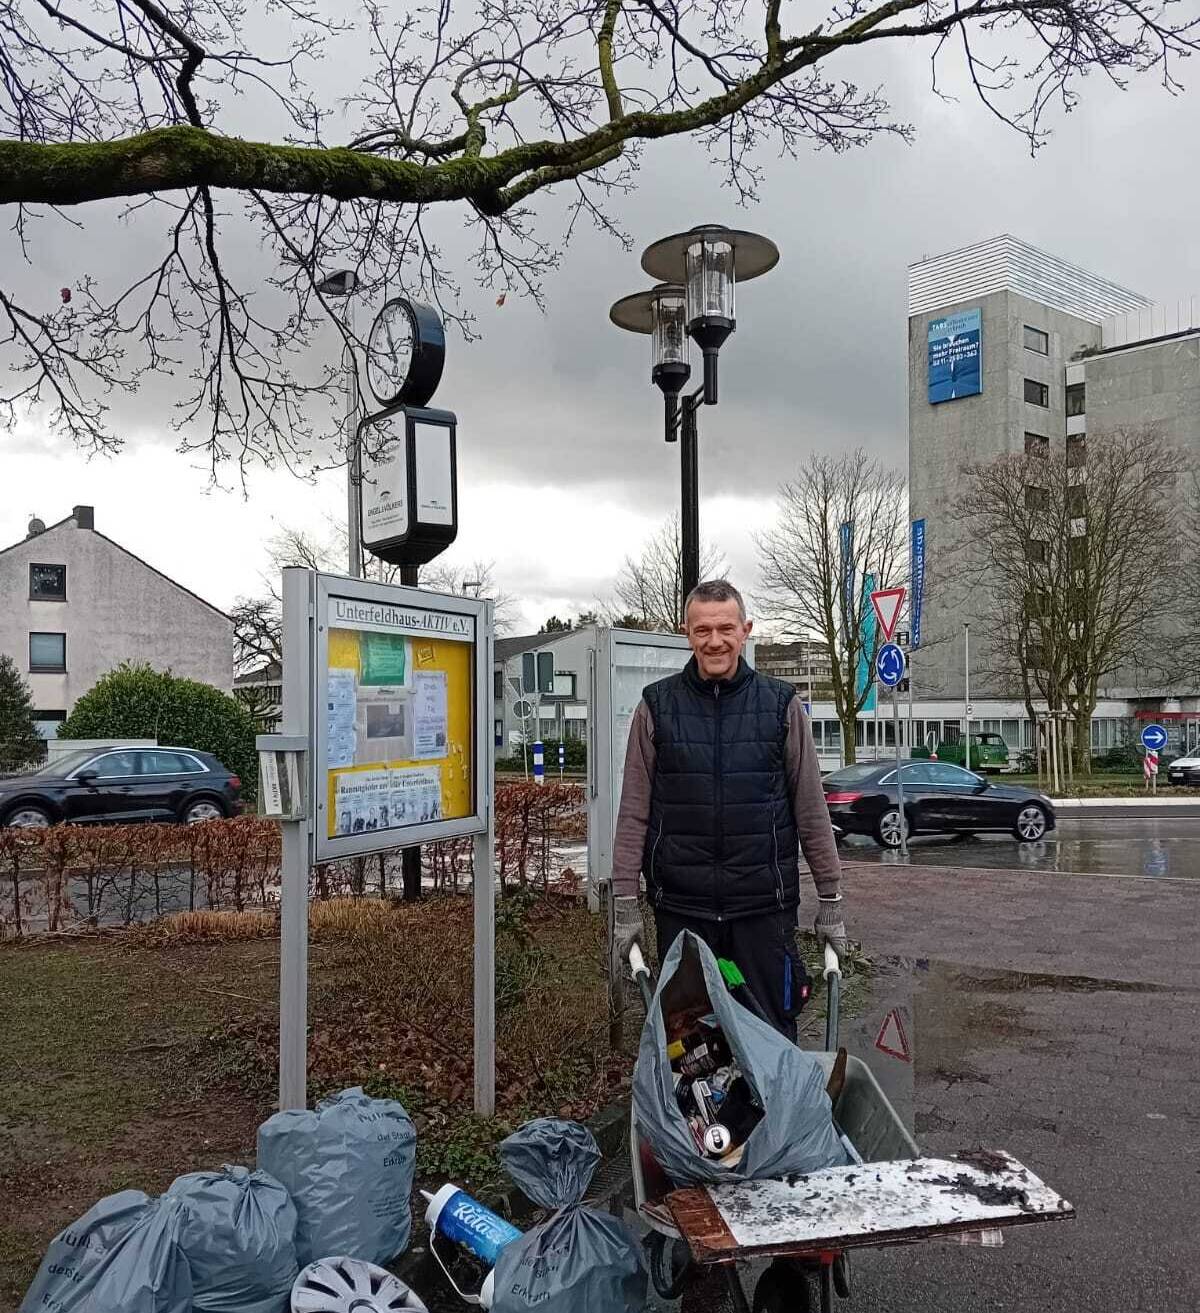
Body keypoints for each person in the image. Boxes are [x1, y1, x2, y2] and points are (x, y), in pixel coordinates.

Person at [610, 579, 847, 1040]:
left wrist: (831, 900)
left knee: (771, 1040)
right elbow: (634, 810)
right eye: (702, 630)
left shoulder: (781, 706)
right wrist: (624, 905)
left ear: (746, 631)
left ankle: (772, 1114)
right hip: (683, 910)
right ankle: (697, 1116)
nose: (714, 641)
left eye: (725, 628)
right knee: (688, 1047)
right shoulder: (656, 708)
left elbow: (811, 809)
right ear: (687, 632)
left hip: (763, 911)